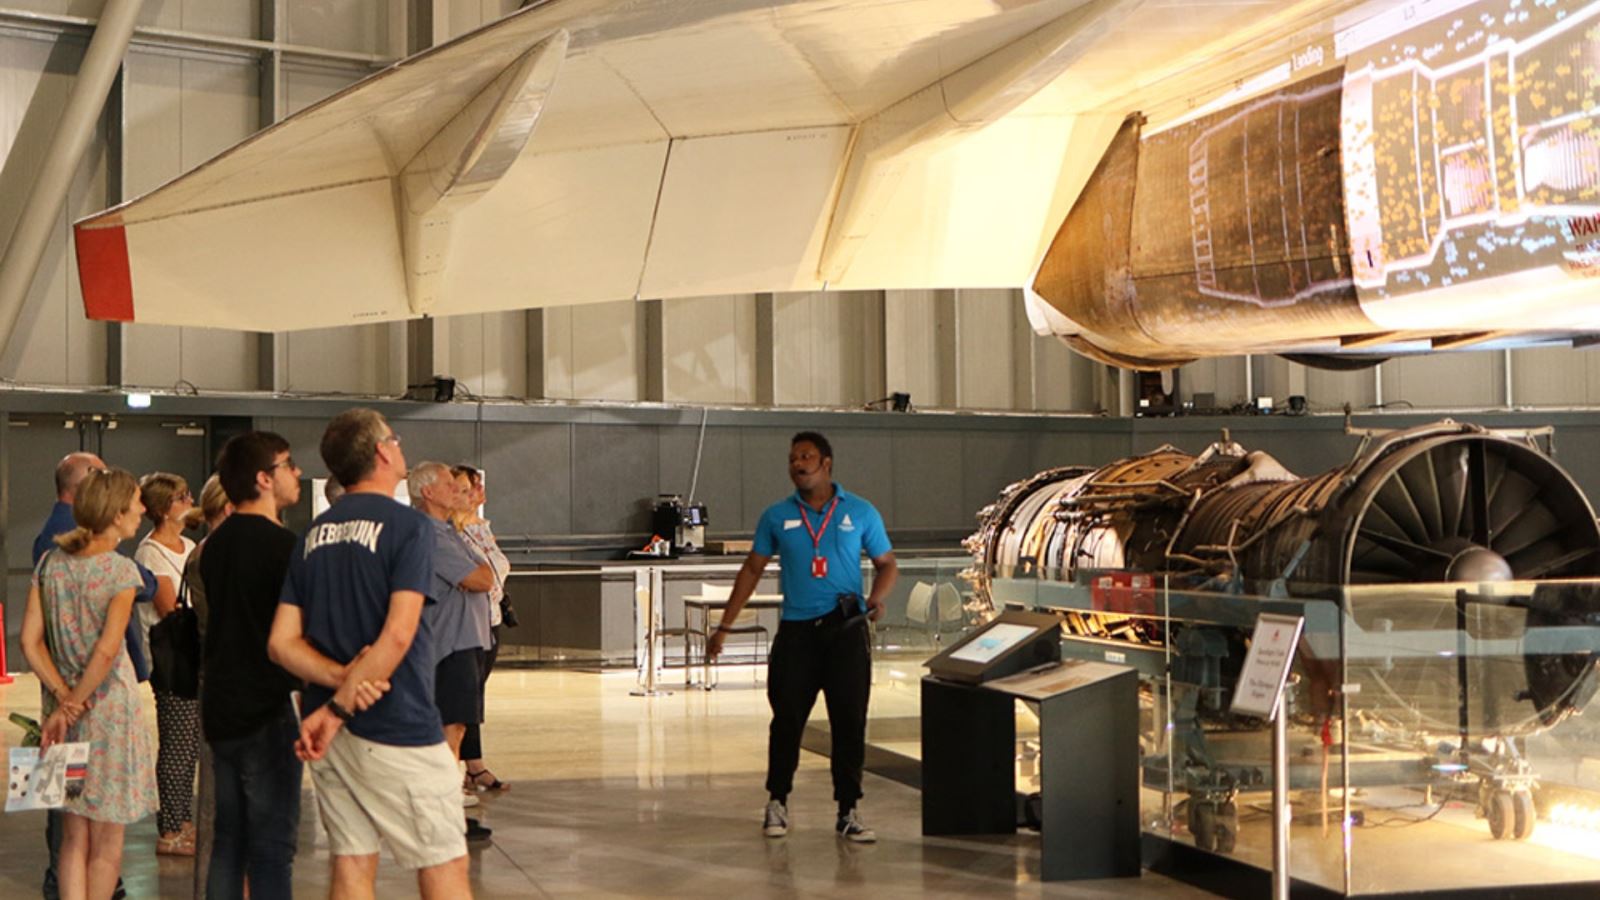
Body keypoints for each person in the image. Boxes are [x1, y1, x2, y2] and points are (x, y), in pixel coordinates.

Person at [267, 409, 472, 899]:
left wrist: (338, 686)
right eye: (395, 439)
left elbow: (281, 644)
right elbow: (398, 636)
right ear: (382, 451)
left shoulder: (312, 535)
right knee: (443, 864)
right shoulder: (410, 528)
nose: (400, 448)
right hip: (396, 723)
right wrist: (344, 704)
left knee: (352, 864)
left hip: (324, 729)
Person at [707, 431, 897, 843]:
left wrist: (875, 600)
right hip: (797, 633)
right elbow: (752, 571)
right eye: (793, 458)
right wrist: (724, 626)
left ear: (826, 463)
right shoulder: (776, 516)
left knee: (849, 721)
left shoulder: (861, 512)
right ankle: (777, 802)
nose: (798, 463)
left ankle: (848, 809)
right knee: (787, 720)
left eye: (806, 456)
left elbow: (887, 564)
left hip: (845, 631)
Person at [20, 468, 159, 900]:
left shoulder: (49, 564)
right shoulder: (121, 571)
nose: (142, 509)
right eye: (136, 501)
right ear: (116, 513)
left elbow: (29, 640)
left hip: (61, 718)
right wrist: (77, 702)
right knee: (107, 841)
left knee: (73, 836)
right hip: (109, 715)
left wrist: (61, 700)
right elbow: (106, 650)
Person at [200, 433, 307, 900]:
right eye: (289, 465)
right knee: (271, 846)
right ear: (265, 478)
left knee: (230, 841)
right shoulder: (285, 547)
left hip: (222, 704)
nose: (297, 473)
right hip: (267, 705)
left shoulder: (215, 545)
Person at [409, 462, 495, 840]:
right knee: (451, 728)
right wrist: (475, 575)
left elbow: (487, 571)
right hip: (449, 643)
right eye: (449, 484)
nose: (456, 489)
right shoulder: (432, 534)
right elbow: (480, 577)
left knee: (456, 727)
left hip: (463, 638)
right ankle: (441, 816)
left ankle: (445, 807)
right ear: (428, 492)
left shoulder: (448, 530)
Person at [133, 472, 200, 857]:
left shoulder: (189, 545)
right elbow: (168, 606)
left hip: (193, 652)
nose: (188, 500)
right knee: (176, 743)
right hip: (171, 657)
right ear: (162, 508)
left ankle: (184, 818)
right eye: (180, 496)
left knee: (191, 743)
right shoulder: (150, 552)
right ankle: (170, 827)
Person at [450, 465, 511, 793]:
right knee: (463, 697)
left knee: (475, 695)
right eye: (466, 488)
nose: (474, 493)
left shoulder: (482, 528)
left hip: (490, 619)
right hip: (467, 623)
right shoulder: (452, 533)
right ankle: (459, 767)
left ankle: (475, 766)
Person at [185, 474, 231, 900]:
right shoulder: (215, 556)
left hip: (214, 677)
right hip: (224, 681)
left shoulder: (199, 553)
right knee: (220, 806)